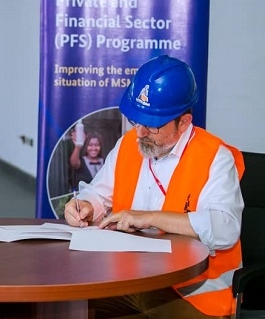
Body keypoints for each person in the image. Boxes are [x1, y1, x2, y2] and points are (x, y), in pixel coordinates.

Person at [64, 55, 244, 319]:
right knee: (72, 308)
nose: (140, 133)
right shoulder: (128, 145)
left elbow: (225, 228)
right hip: (129, 278)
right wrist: (88, 205)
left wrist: (148, 218)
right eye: (137, 121)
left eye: (151, 125)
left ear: (183, 122)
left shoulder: (215, 157)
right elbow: (99, 192)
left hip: (194, 291)